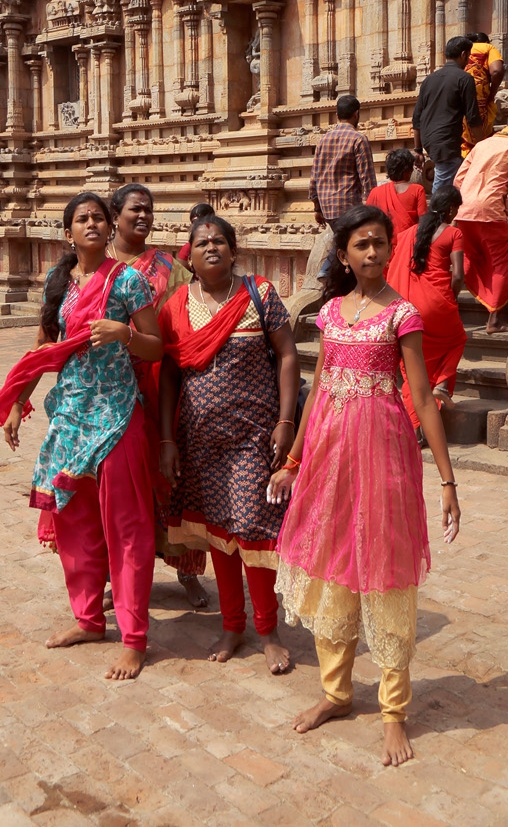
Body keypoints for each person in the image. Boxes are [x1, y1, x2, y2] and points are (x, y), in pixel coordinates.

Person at [268, 204, 460, 764]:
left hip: (384, 454)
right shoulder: (330, 313)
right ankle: (336, 692)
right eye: (361, 245)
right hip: (328, 457)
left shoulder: (402, 315)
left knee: (385, 572)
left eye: (380, 243)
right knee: (330, 567)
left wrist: (447, 481)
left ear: (390, 249)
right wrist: (294, 460)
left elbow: (421, 396)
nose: (372, 253)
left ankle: (394, 713)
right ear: (344, 255)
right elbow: (320, 388)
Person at [0, 191, 163, 681]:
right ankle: (88, 619)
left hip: (117, 415)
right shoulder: (59, 283)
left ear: (110, 229)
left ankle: (133, 638)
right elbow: (45, 345)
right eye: (82, 219)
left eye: (99, 218)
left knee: (126, 529)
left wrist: (124, 334)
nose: (92, 224)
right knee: (75, 523)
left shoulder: (128, 281)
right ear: (68, 233)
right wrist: (20, 403)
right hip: (70, 417)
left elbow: (155, 347)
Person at [159, 215, 301, 675]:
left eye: (220, 240)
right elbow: (169, 378)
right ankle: (233, 623)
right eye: (202, 243)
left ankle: (268, 631)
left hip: (254, 438)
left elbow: (287, 353)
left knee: (253, 529)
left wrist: (285, 421)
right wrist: (167, 439)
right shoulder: (177, 305)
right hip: (200, 441)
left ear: (234, 251)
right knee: (219, 531)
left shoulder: (258, 294)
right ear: (191, 256)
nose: (212, 247)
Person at [107, 183, 208, 608]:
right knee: (120, 490)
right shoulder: (97, 265)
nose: (144, 216)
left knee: (173, 480)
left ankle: (187, 572)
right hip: (110, 393)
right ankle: (120, 578)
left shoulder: (169, 265)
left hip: (163, 388)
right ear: (115, 215)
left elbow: (192, 314)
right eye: (135, 209)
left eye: (149, 209)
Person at [385, 188, 466, 425]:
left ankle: (417, 427)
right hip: (438, 304)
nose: (456, 213)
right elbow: (459, 275)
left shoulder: (408, 233)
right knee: (457, 340)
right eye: (457, 209)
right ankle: (441, 384)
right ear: (451, 208)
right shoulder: (453, 234)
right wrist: (452, 297)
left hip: (407, 308)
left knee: (411, 368)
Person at [453, 109, 508, 334]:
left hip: (464, 210)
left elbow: (459, 178)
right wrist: (507, 211)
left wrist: (463, 202)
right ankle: (494, 321)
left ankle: (448, 305)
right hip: (491, 211)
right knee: (500, 264)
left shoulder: (481, 144)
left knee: (469, 258)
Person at [411, 36, 482, 193]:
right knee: (443, 185)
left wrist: (418, 149)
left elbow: (416, 118)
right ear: (463, 54)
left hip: (429, 139)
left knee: (458, 175)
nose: (468, 61)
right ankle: (437, 215)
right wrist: (483, 145)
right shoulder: (465, 78)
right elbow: (473, 117)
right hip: (446, 141)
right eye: (468, 57)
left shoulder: (429, 80)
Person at [309, 94, 377, 230]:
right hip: (349, 208)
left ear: (337, 115)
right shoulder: (358, 139)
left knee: (342, 245)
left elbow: (314, 178)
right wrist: (372, 208)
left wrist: (317, 208)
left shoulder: (323, 140)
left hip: (327, 208)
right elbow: (367, 179)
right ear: (356, 114)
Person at [365, 148, 427, 238]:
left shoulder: (375, 192)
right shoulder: (417, 190)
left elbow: (367, 221)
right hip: (408, 245)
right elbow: (423, 222)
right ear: (408, 170)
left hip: (383, 245)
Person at [460, 33, 505, 156]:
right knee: (480, 135)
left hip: (458, 100)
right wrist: (492, 93)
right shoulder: (488, 48)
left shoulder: (460, 51)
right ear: (487, 41)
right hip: (479, 99)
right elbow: (497, 71)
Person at [176, 201, 215, 265]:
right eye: (194, 223)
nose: (197, 227)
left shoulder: (222, 243)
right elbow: (180, 273)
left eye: (201, 222)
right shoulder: (188, 248)